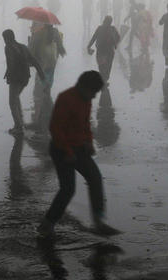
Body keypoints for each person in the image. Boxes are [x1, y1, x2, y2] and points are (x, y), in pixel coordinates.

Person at [37, 71, 121, 238]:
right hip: (61, 150)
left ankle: (98, 222)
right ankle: (47, 224)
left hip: (80, 148)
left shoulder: (86, 99)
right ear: (84, 87)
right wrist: (67, 152)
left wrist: (89, 142)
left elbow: (85, 124)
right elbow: (55, 129)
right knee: (68, 189)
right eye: (93, 92)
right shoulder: (65, 98)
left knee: (95, 179)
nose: (94, 96)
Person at [3, 29, 44, 135]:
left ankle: (18, 126)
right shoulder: (23, 47)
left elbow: (10, 63)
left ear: (7, 38)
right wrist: (41, 73)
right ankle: (20, 122)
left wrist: (9, 76)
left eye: (4, 38)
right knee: (16, 98)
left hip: (16, 78)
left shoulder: (8, 48)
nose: (4, 41)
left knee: (12, 102)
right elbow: (34, 60)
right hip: (25, 77)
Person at [29, 23, 66, 133]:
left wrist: (30, 58)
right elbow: (60, 46)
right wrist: (60, 53)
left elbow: (32, 47)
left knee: (42, 75)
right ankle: (47, 89)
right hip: (52, 57)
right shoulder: (55, 32)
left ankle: (45, 94)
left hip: (43, 58)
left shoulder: (38, 33)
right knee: (50, 73)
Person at [87, 16, 120, 82]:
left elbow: (94, 37)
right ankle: (105, 78)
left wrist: (89, 46)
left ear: (104, 21)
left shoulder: (100, 28)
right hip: (110, 50)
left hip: (101, 50)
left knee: (101, 66)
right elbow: (118, 37)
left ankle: (103, 78)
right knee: (108, 66)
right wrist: (115, 44)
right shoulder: (113, 29)